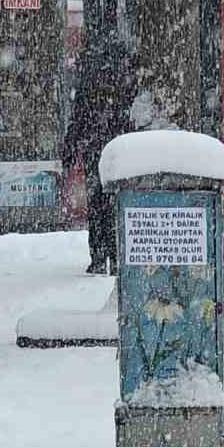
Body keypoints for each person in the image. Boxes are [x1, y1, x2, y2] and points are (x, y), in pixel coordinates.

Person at [63, 40, 138, 275]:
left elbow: (78, 118)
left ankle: (98, 255)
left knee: (97, 204)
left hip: (95, 148)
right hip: (117, 149)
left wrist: (71, 147)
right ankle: (114, 255)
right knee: (113, 203)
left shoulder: (89, 83)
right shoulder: (123, 81)